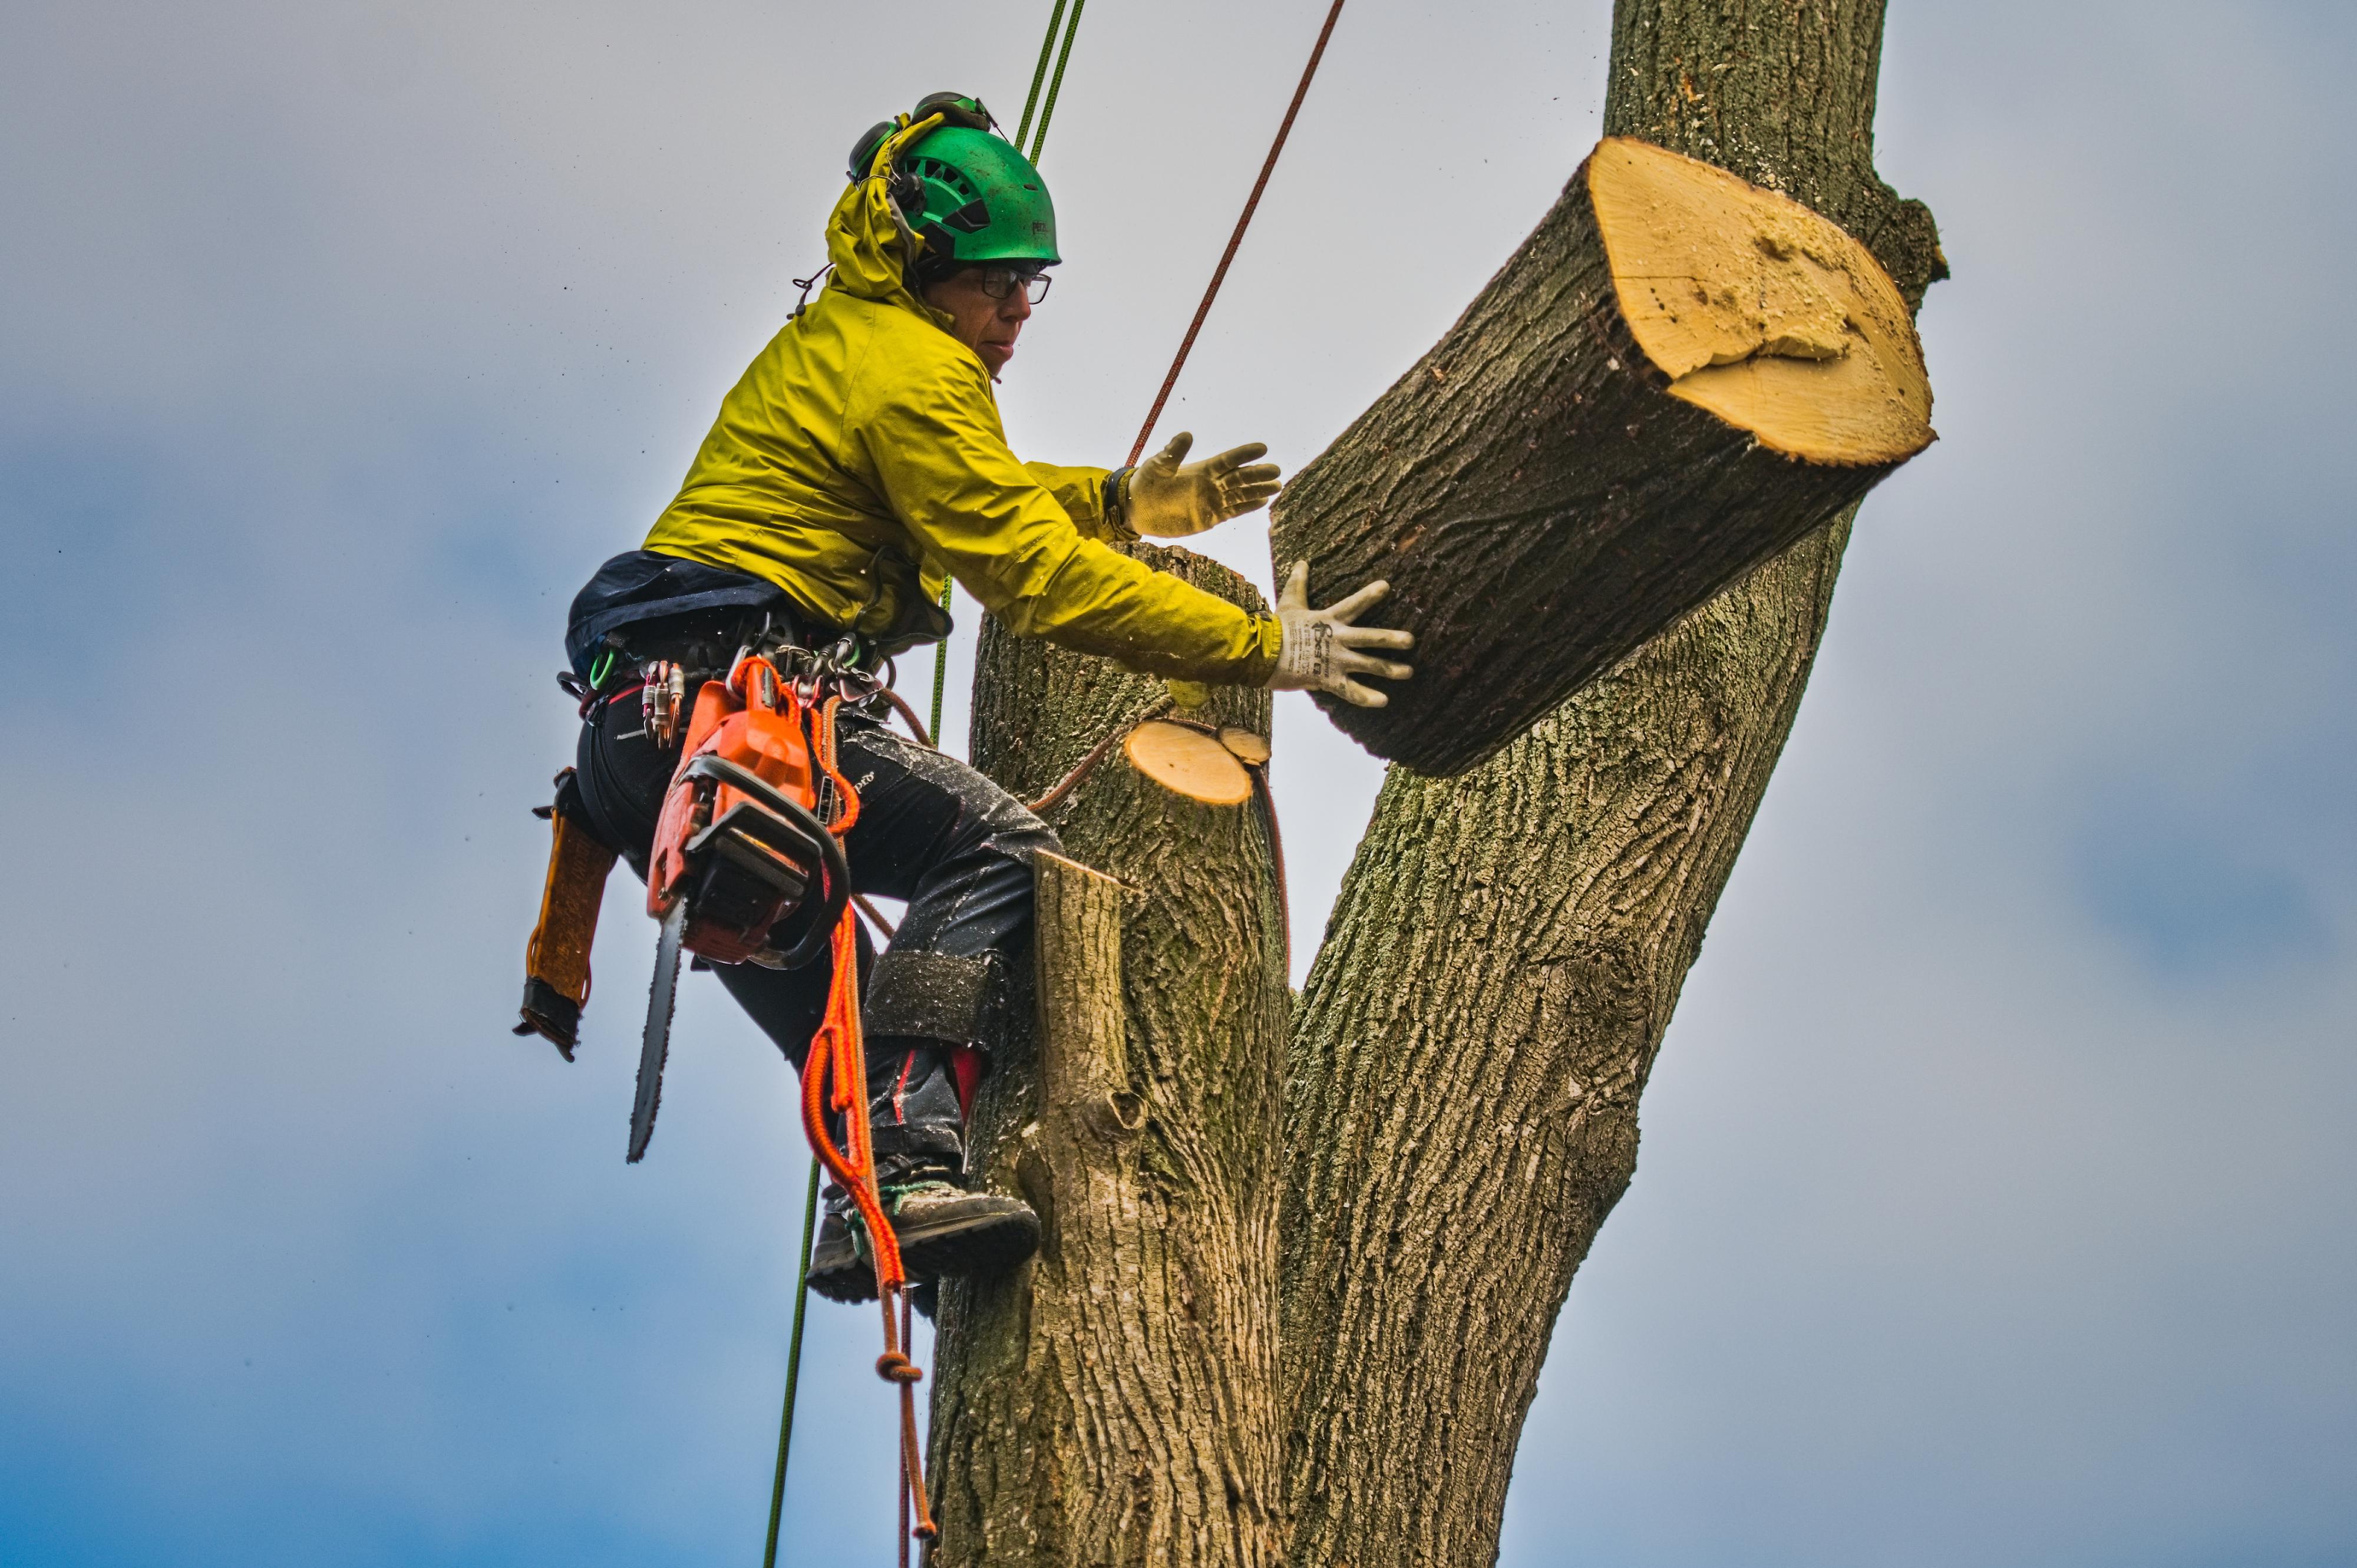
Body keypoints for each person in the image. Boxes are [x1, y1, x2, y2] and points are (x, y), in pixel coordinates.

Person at [560, 93, 1411, 1305]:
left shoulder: (855, 340)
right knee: (1000, 847)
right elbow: (1027, 571)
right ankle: (908, 1172)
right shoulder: (912, 369)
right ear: (925, 269)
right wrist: (1265, 647)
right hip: (736, 711)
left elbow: (971, 487)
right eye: (995, 284)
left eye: (1029, 284)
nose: (1015, 309)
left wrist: (1117, 501)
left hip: (649, 741)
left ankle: (881, 1209)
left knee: (852, 1008)